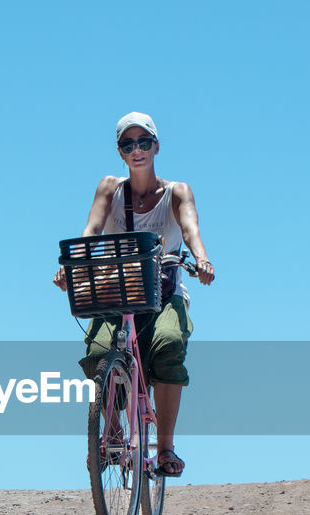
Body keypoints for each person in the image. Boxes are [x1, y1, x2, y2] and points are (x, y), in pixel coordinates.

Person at [53, 112, 215, 477]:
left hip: (163, 291)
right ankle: (111, 431)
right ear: (120, 152)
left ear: (156, 146)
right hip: (118, 289)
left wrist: (202, 259)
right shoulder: (110, 188)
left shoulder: (176, 192)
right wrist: (72, 264)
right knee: (99, 353)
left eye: (144, 142)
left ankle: (166, 448)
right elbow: (92, 230)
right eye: (129, 144)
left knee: (169, 344)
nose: (137, 149)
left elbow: (190, 229)